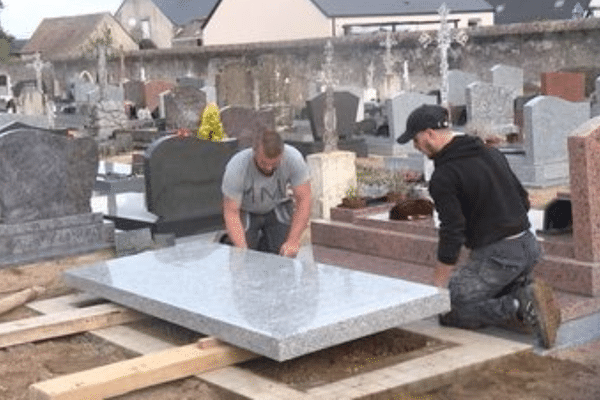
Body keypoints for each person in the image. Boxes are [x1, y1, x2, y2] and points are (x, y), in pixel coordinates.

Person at [397, 104, 561, 348]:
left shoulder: (444, 176)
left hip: (499, 257)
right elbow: (523, 200)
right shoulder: (491, 153)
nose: (416, 147)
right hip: (529, 247)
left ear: (429, 133)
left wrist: (438, 285)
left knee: (450, 308)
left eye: (416, 140)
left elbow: (453, 231)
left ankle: (519, 306)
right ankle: (521, 287)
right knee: (481, 280)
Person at [221, 127, 311, 258]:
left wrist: (293, 241)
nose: (269, 168)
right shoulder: (237, 167)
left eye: (274, 164)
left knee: (285, 255)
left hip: (276, 207)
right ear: (254, 151)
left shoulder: (293, 159)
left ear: (282, 154)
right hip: (246, 211)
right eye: (264, 163)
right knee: (244, 257)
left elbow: (304, 199)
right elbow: (231, 212)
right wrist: (241, 252)